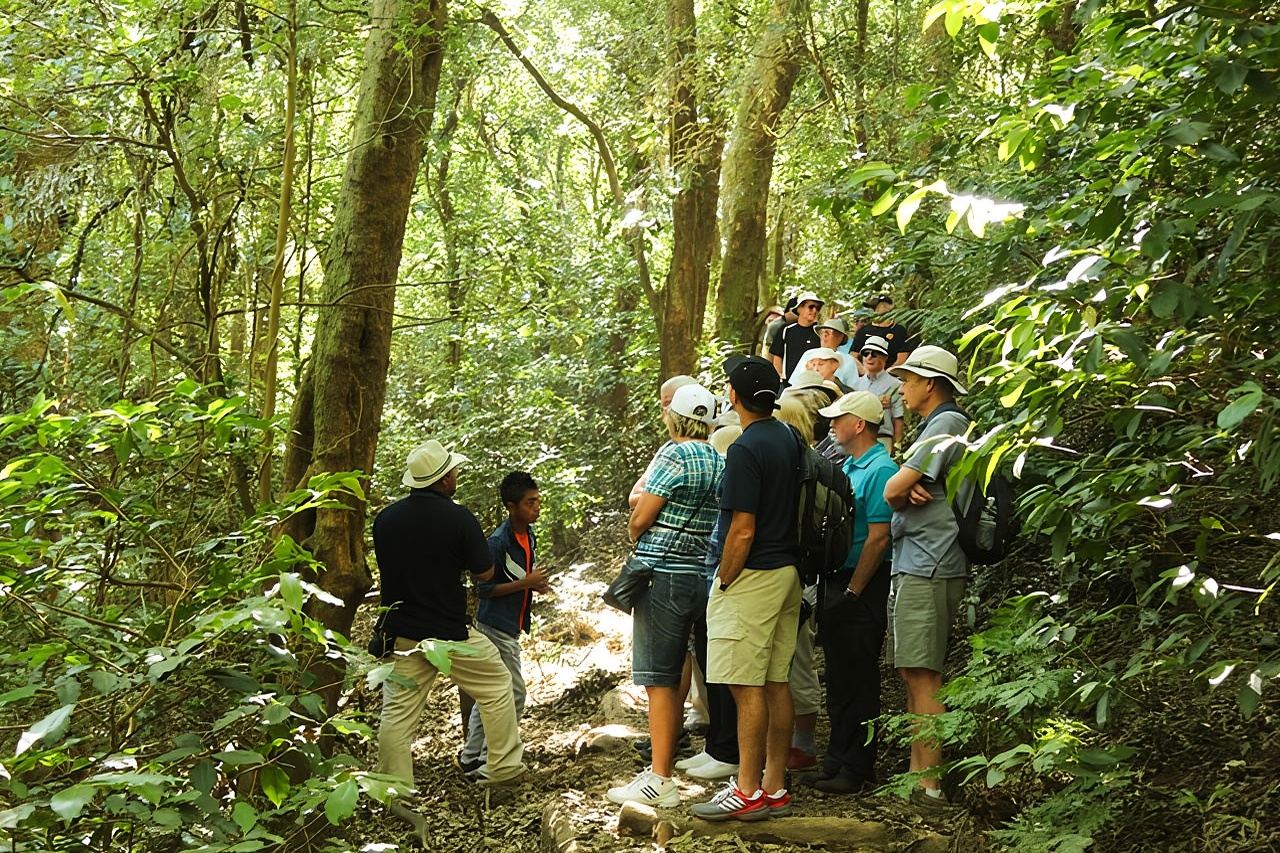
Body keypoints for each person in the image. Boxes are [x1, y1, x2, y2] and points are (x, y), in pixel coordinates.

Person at [373, 441, 526, 834]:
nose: (456, 477)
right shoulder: (459, 519)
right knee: (497, 685)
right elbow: (485, 574)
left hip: (401, 632)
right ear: (443, 480)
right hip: (449, 633)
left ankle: (394, 792)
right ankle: (503, 770)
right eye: (453, 472)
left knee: (397, 714)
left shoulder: (385, 520)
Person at [691, 355, 800, 822]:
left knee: (744, 684)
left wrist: (726, 578)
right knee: (776, 681)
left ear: (734, 396)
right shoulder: (789, 438)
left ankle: (747, 789)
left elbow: (742, 528)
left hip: (753, 574)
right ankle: (774, 785)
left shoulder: (745, 448)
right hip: (789, 572)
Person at [608, 383, 725, 807]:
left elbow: (641, 517)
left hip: (664, 577)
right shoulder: (719, 458)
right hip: (702, 575)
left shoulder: (673, 455)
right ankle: (661, 768)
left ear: (673, 416)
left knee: (659, 679)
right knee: (681, 669)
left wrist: (637, 526)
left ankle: (660, 777)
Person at [882, 346, 971, 810]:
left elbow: (892, 489)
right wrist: (902, 483)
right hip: (920, 559)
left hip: (931, 560)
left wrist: (901, 484)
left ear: (930, 383)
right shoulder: (937, 426)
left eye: (908, 379)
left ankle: (929, 786)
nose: (902, 386)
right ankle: (919, 779)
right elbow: (899, 486)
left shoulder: (946, 424)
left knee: (924, 675)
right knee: (915, 671)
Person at [803, 391, 897, 793]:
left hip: (861, 585)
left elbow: (879, 538)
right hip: (839, 582)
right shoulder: (850, 465)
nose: (832, 425)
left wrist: (855, 592)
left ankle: (857, 767)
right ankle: (836, 758)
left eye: (839, 419)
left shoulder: (880, 469)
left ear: (859, 424)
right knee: (839, 677)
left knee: (858, 678)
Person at [457, 472, 547, 773]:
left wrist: (532, 584)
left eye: (537, 500)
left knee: (490, 694)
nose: (537, 507)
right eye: (529, 503)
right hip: (495, 627)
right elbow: (484, 590)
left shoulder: (528, 535)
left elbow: (518, 577)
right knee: (514, 693)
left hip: (511, 625)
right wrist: (527, 583)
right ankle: (492, 758)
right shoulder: (497, 542)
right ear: (511, 506)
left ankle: (472, 756)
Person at [628, 375, 699, 508]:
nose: (664, 413)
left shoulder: (719, 441)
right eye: (664, 406)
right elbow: (634, 497)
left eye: (668, 403)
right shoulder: (669, 447)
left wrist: (660, 496)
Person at [849, 336, 905, 454]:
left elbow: (898, 417)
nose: (869, 357)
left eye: (874, 354)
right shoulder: (855, 384)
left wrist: (897, 445)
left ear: (884, 358)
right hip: (857, 439)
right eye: (865, 353)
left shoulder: (896, 385)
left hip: (883, 439)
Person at [769, 291, 823, 379]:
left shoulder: (820, 333)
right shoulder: (786, 330)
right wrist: (779, 376)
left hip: (811, 383)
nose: (814, 311)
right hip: (788, 383)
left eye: (817, 308)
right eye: (811, 307)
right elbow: (777, 355)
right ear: (799, 308)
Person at [850, 295, 913, 367]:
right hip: (865, 373)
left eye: (882, 306)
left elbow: (901, 359)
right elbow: (853, 356)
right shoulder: (863, 331)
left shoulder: (899, 330)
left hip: (890, 373)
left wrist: (885, 375)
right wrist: (864, 372)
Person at [817, 317, 860, 387]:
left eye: (828, 333)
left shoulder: (848, 360)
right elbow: (795, 380)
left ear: (840, 337)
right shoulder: (809, 353)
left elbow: (852, 388)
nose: (824, 335)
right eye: (823, 332)